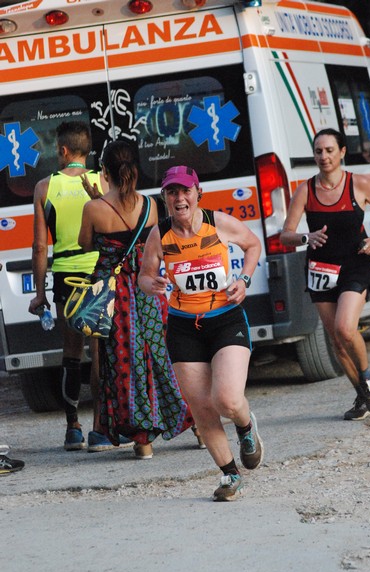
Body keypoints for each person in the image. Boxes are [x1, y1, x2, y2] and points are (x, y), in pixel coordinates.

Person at [138, 165, 263, 501]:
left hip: (225, 319)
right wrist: (154, 284)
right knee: (202, 408)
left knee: (226, 399)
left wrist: (245, 280)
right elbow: (144, 277)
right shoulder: (159, 234)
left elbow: (253, 245)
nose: (179, 198)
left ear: (197, 193)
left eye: (185, 191)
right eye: (172, 192)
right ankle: (229, 475)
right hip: (183, 327)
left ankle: (245, 425)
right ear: (164, 198)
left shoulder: (217, 222)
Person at [78, 142, 195, 459]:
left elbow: (85, 242)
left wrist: (96, 199)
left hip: (115, 300)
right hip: (150, 292)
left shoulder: (94, 209)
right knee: (164, 357)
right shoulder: (152, 205)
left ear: (105, 172)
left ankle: (143, 442)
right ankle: (197, 424)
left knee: (127, 365)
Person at [28, 121, 132, 453]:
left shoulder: (45, 187)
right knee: (101, 352)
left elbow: (40, 247)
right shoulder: (104, 181)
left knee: (72, 352)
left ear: (63, 150)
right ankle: (99, 429)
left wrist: (40, 294)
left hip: (65, 276)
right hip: (100, 272)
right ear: (86, 151)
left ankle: (72, 428)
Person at [280, 128, 370, 421]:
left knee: (345, 328)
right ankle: (362, 394)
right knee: (335, 339)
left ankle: (367, 377)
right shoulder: (305, 190)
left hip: (355, 264)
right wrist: (306, 238)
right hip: (321, 269)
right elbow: (286, 235)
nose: (324, 157)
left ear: (342, 152)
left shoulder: (359, 184)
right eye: (318, 151)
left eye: (330, 150)